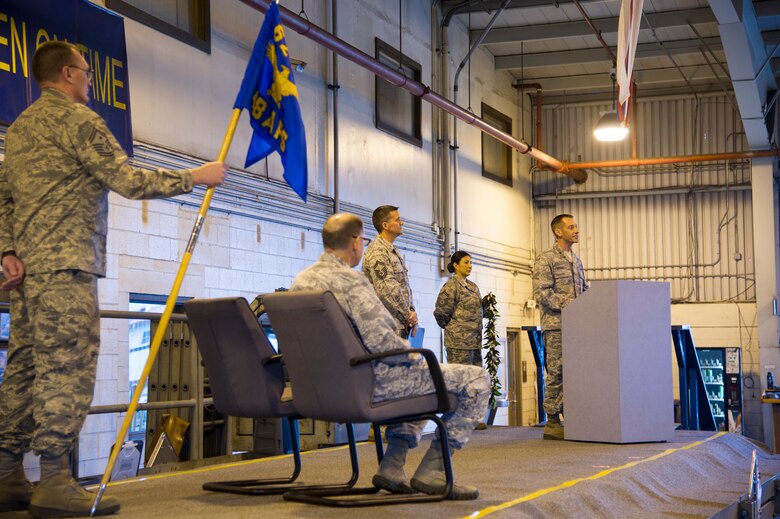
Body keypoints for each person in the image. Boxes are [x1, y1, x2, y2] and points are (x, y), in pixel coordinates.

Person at [0, 40, 226, 516]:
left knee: (22, 369)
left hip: (27, 277)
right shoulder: (79, 121)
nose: (89, 80)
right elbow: (127, 179)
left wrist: (8, 251)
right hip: (67, 268)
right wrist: (195, 176)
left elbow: (4, 196)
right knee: (66, 370)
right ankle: (54, 478)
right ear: (67, 73)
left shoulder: (19, 129)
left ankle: (7, 474)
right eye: (85, 71)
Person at [291, 213, 489, 500]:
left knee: (418, 378)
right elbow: (384, 342)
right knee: (476, 379)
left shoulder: (301, 281)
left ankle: (393, 468)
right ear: (356, 242)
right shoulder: (352, 283)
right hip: (367, 385)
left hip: (320, 388)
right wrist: (418, 361)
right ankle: (433, 471)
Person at [532, 214, 589, 441]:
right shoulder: (545, 259)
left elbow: (584, 290)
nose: (576, 230)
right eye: (571, 227)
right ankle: (553, 420)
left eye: (576, 227)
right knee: (557, 371)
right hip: (557, 325)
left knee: (575, 371)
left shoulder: (576, 261)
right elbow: (542, 293)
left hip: (577, 326)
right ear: (558, 231)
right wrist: (571, 306)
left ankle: (572, 415)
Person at [434, 252, 488, 430]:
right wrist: (454, 329)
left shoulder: (473, 287)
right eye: (466, 262)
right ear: (456, 265)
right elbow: (441, 313)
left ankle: (471, 417)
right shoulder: (451, 286)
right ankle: (455, 419)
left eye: (471, 262)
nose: (470, 266)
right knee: (459, 382)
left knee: (474, 380)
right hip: (458, 342)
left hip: (474, 341)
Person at [362, 205, 418, 339]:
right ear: (385, 225)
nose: (402, 222)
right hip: (385, 327)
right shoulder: (378, 252)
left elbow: (404, 288)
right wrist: (408, 316)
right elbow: (387, 290)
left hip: (399, 324)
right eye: (397, 219)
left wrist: (412, 312)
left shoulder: (392, 251)